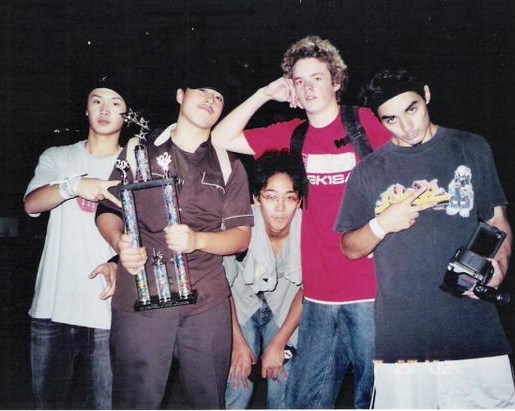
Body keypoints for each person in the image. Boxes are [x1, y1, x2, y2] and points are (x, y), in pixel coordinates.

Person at [211, 35, 390, 408]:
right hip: (317, 294)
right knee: (305, 400)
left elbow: (413, 152)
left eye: (317, 78)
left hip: (371, 289)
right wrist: (265, 93)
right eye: (299, 80)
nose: (308, 88)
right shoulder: (292, 134)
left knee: (373, 398)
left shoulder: (363, 123)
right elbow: (221, 137)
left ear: (336, 81)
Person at [334, 69, 515, 408]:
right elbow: (349, 247)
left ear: (427, 96)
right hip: (403, 340)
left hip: (474, 331)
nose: (406, 126)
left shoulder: (471, 147)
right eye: (391, 119)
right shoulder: (368, 171)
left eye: (412, 109)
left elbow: (497, 219)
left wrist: (499, 267)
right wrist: (381, 225)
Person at [95, 78, 253, 409]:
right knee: (136, 399)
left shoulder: (230, 163)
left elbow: (240, 237)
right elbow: (108, 210)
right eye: (202, 90)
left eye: (218, 96)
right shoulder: (139, 150)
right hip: (142, 293)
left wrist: (198, 239)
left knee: (208, 398)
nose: (210, 99)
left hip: (206, 299)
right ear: (180, 95)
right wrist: (119, 243)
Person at [23, 75, 126, 409]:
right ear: (86, 109)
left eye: (115, 103)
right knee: (48, 403)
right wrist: (74, 186)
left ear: (127, 114)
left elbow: (148, 230)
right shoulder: (58, 156)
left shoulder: (136, 165)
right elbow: (31, 204)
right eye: (97, 101)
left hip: (107, 309)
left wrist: (118, 263)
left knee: (106, 404)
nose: (104, 109)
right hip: (53, 306)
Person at [224, 150, 305, 409]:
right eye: (271, 197)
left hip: (285, 308)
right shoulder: (239, 224)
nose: (280, 208)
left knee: (282, 376)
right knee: (238, 378)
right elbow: (220, 288)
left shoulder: (308, 229)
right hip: (240, 306)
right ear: (256, 198)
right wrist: (237, 344)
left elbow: (309, 291)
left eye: (289, 198)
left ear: (299, 201)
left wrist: (278, 344)